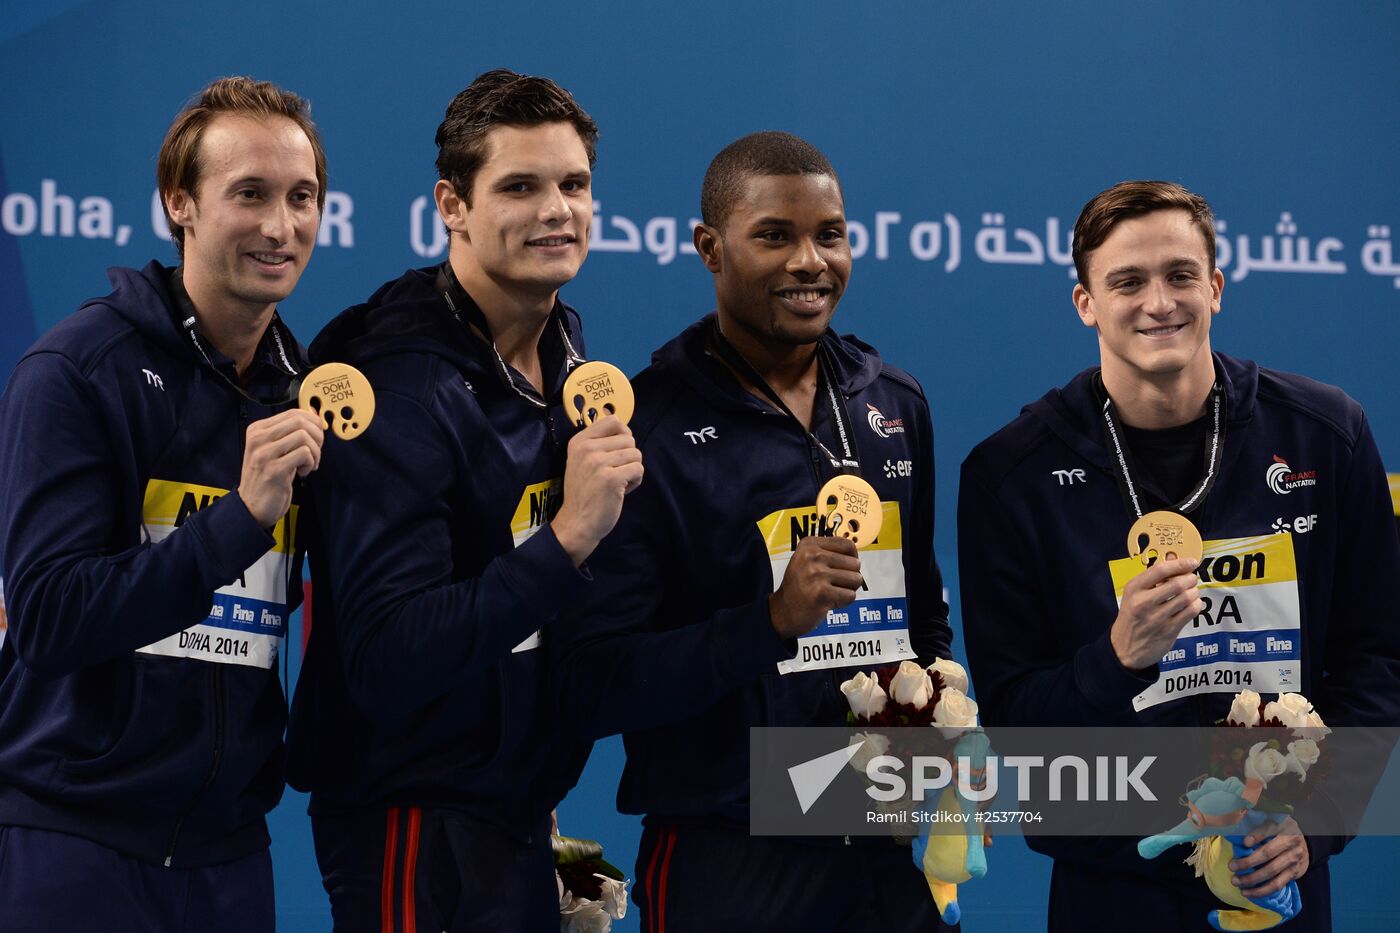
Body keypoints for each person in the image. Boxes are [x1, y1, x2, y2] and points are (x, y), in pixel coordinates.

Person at [958, 179, 1400, 932]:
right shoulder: (1011, 477)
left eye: (1180, 275)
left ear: (1216, 287)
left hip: (1276, 875)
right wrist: (1116, 657)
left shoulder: (1327, 435)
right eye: (1127, 281)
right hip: (1111, 893)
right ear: (1085, 304)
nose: (1158, 302)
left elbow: (1380, 664)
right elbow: (1013, 730)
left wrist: (1315, 822)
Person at [548, 131, 957, 932]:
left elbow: (922, 615)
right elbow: (593, 681)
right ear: (710, 248)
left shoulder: (894, 405)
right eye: (775, 235)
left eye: (830, 235)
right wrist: (768, 623)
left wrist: (931, 707)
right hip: (727, 859)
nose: (810, 261)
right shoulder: (649, 428)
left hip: (879, 850)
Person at [286, 69, 643, 933]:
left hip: (504, 820)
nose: (556, 209)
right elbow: (387, 657)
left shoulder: (559, 341)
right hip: (410, 827)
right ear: (453, 204)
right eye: (520, 186)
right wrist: (564, 543)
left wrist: (538, 801)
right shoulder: (397, 383)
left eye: (573, 184)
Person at [0, 77, 327, 932]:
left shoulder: (306, 395)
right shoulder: (77, 370)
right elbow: (47, 617)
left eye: (302, 198)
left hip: (229, 856)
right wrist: (236, 521)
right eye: (248, 194)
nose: (279, 226)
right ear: (179, 203)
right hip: (76, 845)